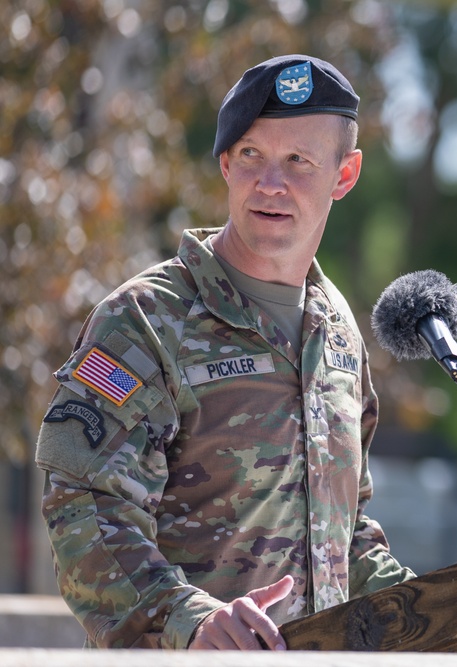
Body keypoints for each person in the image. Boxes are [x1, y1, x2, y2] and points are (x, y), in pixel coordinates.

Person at [34, 54, 415, 650]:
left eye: (299, 161)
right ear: (225, 166)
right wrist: (193, 621)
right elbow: (84, 506)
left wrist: (431, 606)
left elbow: (346, 533)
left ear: (344, 175)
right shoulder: (146, 320)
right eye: (251, 157)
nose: (271, 184)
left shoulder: (338, 330)